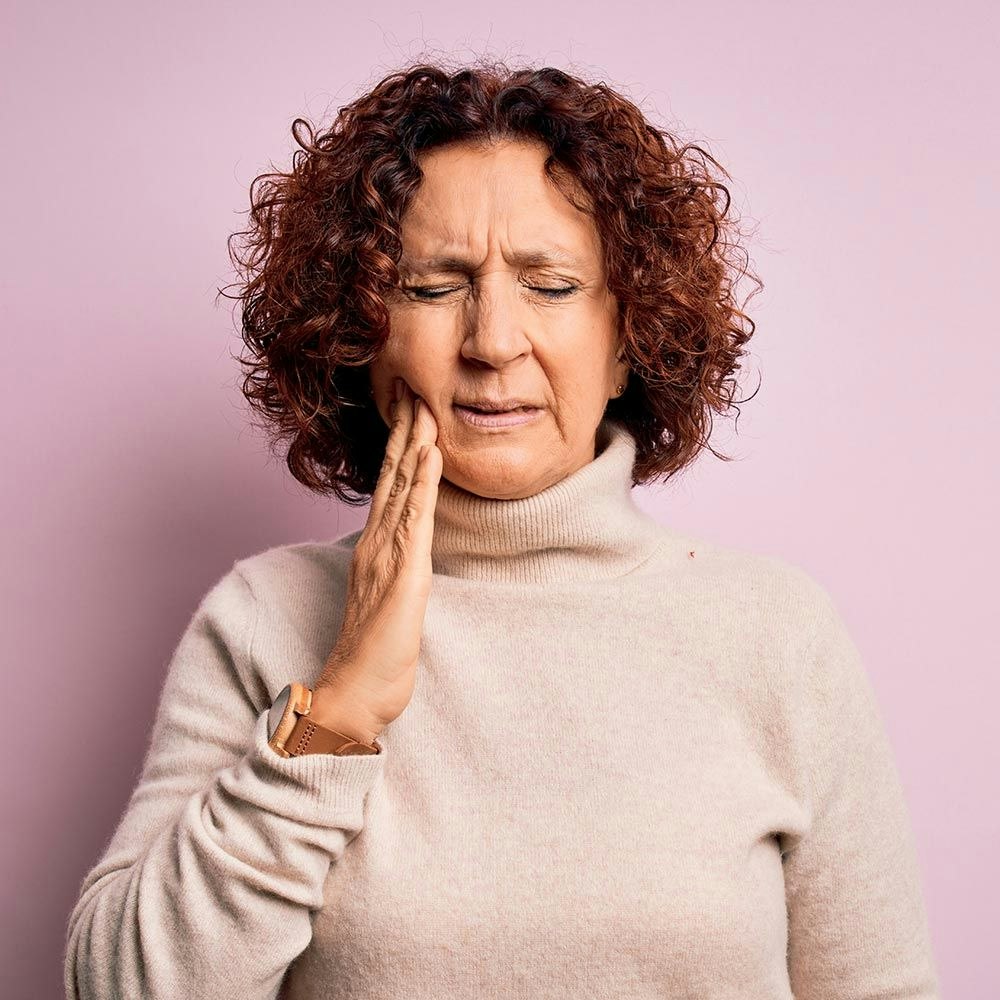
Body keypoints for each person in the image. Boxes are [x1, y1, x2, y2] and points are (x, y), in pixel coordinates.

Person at [63, 59, 940, 999]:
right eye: (435, 286)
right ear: (363, 335)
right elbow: (118, 987)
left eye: (552, 286)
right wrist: (342, 709)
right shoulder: (262, 618)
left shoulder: (777, 632)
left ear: (626, 343)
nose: (490, 342)